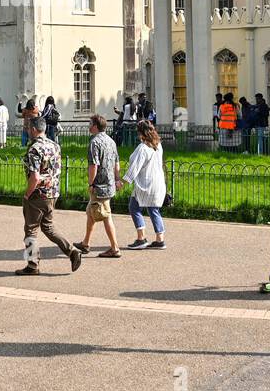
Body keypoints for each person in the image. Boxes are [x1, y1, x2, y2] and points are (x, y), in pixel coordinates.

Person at [17, 117, 81, 276]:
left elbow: (35, 177)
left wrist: (27, 194)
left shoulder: (34, 149)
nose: (26, 130)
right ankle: (72, 251)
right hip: (53, 192)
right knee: (48, 227)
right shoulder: (55, 145)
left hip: (38, 194)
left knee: (31, 230)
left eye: (28, 127)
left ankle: (32, 265)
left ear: (33, 129)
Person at [75, 115, 122, 258]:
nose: (88, 125)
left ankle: (114, 248)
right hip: (109, 184)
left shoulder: (94, 142)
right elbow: (116, 163)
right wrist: (117, 179)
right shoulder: (111, 141)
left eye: (90, 123)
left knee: (105, 215)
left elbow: (93, 165)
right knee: (91, 212)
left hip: (99, 186)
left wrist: (91, 183)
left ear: (95, 125)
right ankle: (85, 243)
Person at [123, 120, 168, 249]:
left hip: (146, 184)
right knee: (154, 210)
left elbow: (134, 168)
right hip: (158, 183)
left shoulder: (143, 148)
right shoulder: (158, 145)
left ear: (141, 133)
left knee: (133, 207)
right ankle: (160, 239)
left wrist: (124, 181)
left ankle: (141, 237)